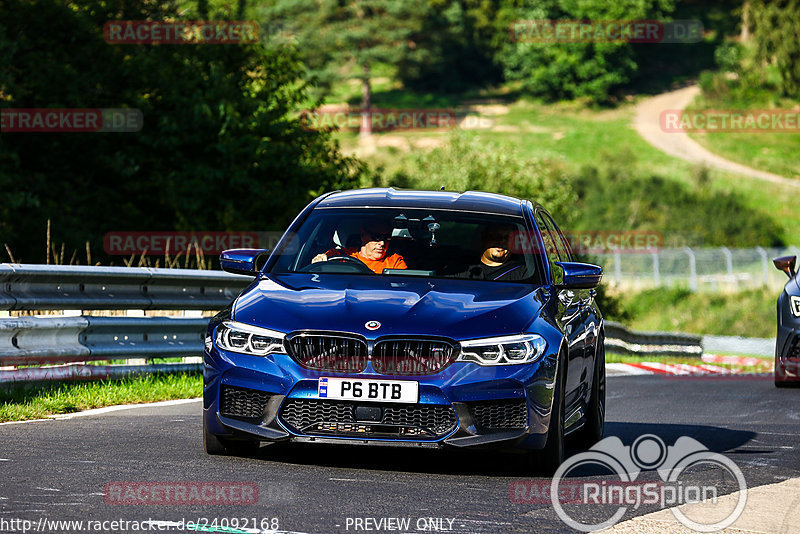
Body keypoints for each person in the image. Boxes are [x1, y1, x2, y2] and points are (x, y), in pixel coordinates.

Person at [312, 220, 407, 274]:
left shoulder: (395, 262)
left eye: (387, 238)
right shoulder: (340, 255)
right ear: (363, 235)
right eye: (377, 237)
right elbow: (319, 268)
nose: (382, 243)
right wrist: (319, 261)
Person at [458, 224, 526, 281]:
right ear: (484, 238)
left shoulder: (524, 274)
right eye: (496, 237)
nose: (501, 241)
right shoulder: (462, 268)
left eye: (507, 238)